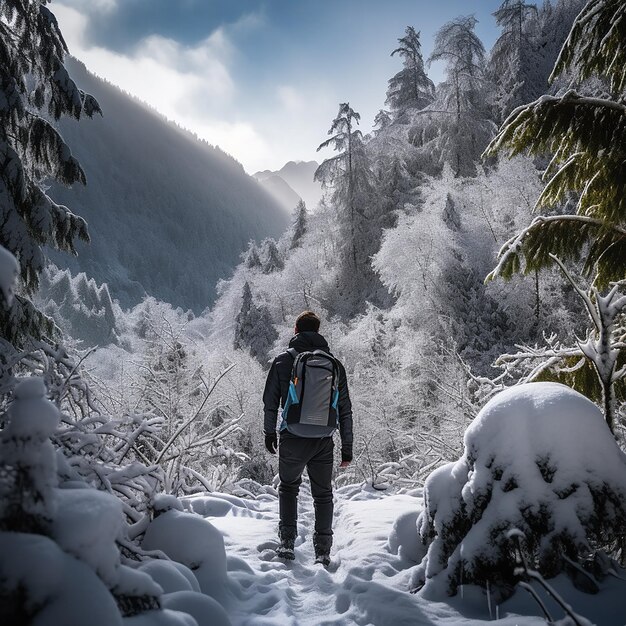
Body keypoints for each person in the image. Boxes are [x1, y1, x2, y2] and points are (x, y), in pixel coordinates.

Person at [263, 310, 353, 565]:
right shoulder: (334, 364)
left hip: (291, 436)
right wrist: (347, 448)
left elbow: (270, 402)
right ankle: (322, 551)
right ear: (319, 330)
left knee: (289, 488)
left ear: (295, 330)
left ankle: (287, 544)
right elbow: (345, 408)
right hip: (323, 439)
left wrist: (269, 432)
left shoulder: (282, 361)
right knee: (323, 495)